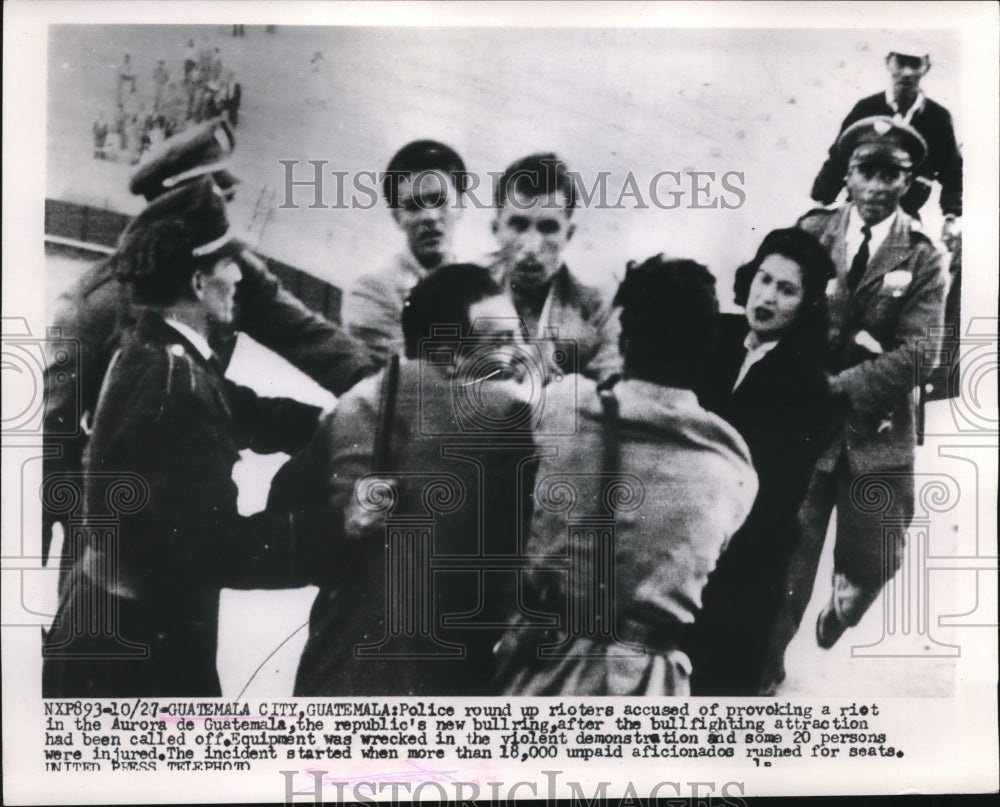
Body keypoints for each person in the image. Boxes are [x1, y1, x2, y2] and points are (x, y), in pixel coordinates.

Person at [42, 118, 376, 573]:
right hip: (113, 532)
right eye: (220, 196)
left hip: (193, 496)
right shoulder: (92, 304)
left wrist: (389, 397)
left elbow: (312, 340)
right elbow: (56, 432)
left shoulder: (232, 273)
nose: (226, 211)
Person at [42, 180, 331, 697]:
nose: (239, 275)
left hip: (105, 624)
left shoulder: (155, 346)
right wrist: (333, 537)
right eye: (227, 263)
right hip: (135, 654)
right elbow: (217, 549)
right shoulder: (175, 382)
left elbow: (238, 406)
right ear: (199, 283)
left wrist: (337, 424)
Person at [493, 256, 758, 696]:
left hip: (541, 671)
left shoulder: (562, 408)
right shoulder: (733, 464)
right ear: (709, 345)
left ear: (624, 335)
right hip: (649, 688)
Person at [294, 264, 537, 696]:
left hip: (330, 675)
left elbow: (286, 510)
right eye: (502, 342)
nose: (524, 353)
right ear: (448, 356)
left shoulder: (354, 405)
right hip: (437, 693)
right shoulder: (508, 415)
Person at [770, 116, 948, 663]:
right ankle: (763, 668)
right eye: (863, 171)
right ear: (845, 175)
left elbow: (921, 353)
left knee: (874, 562)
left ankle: (844, 609)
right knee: (786, 561)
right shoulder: (811, 232)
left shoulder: (922, 256)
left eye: (888, 174)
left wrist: (841, 381)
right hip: (808, 433)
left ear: (908, 180)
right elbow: (783, 316)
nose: (874, 186)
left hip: (878, 437)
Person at [685, 228, 834, 696]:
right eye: (764, 279)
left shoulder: (807, 382)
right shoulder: (717, 336)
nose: (767, 296)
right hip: (686, 546)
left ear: (806, 304)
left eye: (786, 289)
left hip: (744, 565)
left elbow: (775, 493)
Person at [810, 41, 962, 242]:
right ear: (888, 62)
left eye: (914, 64)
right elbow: (838, 158)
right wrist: (821, 203)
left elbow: (953, 171)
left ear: (927, 67)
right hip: (859, 209)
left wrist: (952, 217)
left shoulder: (938, 118)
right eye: (900, 62)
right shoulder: (865, 109)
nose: (907, 72)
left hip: (906, 219)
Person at [491, 153, 621, 383]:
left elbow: (611, 394)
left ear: (568, 234)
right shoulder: (464, 293)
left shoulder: (599, 304)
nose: (532, 246)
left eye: (548, 227)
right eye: (519, 225)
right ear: (496, 229)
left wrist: (558, 390)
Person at [343, 140, 469, 368]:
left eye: (440, 201)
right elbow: (407, 381)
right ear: (397, 217)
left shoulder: (478, 283)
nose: (429, 217)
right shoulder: (370, 291)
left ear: (461, 205)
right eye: (413, 206)